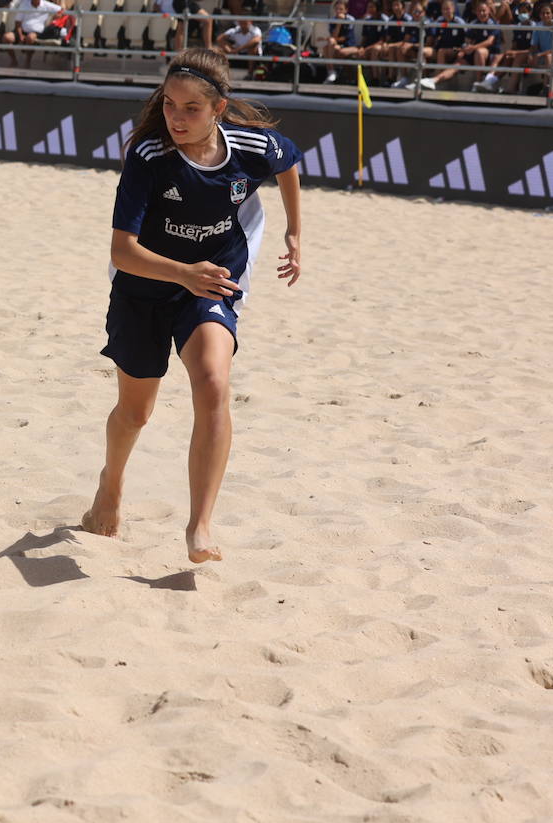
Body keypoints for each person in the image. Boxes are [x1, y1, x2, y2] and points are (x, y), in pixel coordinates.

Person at [81, 47, 303, 565]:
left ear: (218, 110)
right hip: (144, 284)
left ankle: (200, 526)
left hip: (215, 281)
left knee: (213, 383)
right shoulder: (148, 156)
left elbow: (289, 161)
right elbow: (121, 251)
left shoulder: (251, 145)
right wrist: (184, 272)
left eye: (190, 109)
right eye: (169, 105)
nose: (176, 118)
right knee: (135, 412)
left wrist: (294, 231)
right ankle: (110, 486)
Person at [434, 0, 500, 85]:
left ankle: (479, 83)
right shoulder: (474, 24)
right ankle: (435, 80)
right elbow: (467, 41)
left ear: (489, 11)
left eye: (484, 11)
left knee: (479, 51)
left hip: (483, 53)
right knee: (445, 55)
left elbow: (489, 42)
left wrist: (471, 48)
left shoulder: (493, 24)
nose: (481, 13)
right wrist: (464, 49)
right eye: (479, 11)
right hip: (459, 50)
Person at [476, 0, 536, 90]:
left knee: (516, 59)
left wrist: (515, 52)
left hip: (530, 54)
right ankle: (488, 81)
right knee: (503, 56)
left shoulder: (535, 27)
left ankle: (509, 89)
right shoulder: (518, 26)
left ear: (530, 13)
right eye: (520, 12)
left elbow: (533, 49)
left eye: (524, 12)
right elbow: (514, 45)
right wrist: (511, 52)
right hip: (518, 53)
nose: (522, 15)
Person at [419, 0, 466, 88]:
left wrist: (461, 50)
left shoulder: (459, 22)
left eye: (448, 9)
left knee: (441, 51)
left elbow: (466, 40)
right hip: (440, 48)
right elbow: (433, 35)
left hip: (455, 49)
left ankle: (437, 83)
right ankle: (423, 79)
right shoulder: (439, 21)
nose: (445, 11)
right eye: (444, 9)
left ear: (453, 9)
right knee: (423, 51)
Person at [319, 0, 363, 83]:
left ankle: (332, 72)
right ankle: (331, 72)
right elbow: (334, 36)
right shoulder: (333, 20)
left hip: (349, 45)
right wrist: (338, 24)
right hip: (336, 45)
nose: (338, 11)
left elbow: (344, 38)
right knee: (326, 48)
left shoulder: (350, 19)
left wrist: (328, 39)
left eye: (341, 9)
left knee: (331, 44)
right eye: (337, 9)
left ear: (346, 10)